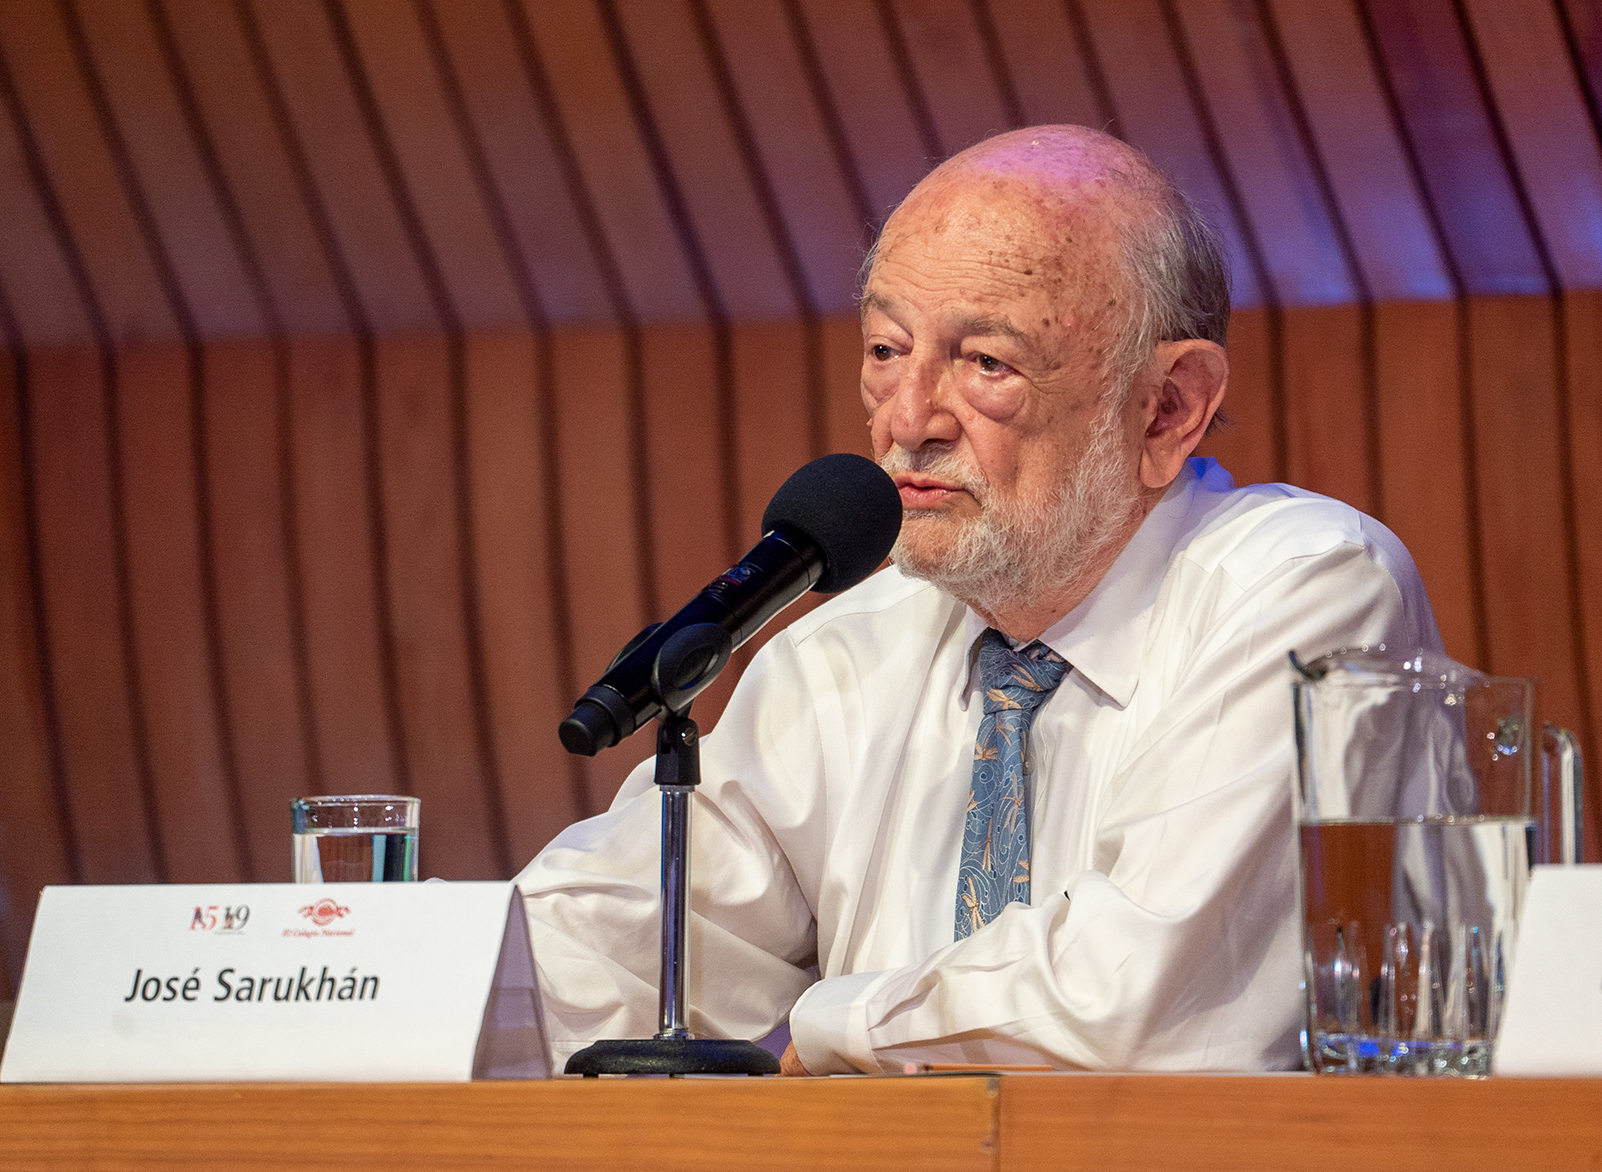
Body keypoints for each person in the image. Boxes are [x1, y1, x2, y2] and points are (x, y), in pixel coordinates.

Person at [515, 125, 1440, 1075]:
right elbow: (601, 952)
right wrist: (386, 973)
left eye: (985, 362)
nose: (907, 420)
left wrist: (830, 1027)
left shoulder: (1308, 591)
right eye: (886, 348)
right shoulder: (841, 657)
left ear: (1168, 406)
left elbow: (1138, 1011)